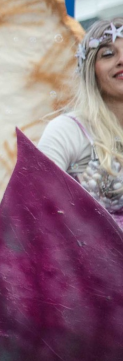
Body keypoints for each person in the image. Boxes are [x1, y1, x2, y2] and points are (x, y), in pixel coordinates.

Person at [39, 18, 123, 223]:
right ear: (91, 71)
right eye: (108, 54)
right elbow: (35, 207)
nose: (121, 60)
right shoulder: (66, 130)